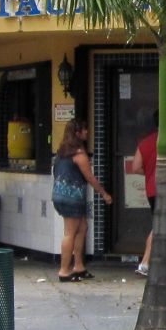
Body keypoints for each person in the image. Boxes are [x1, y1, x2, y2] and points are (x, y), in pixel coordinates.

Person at [52, 119, 111, 282]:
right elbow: (90, 177)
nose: (87, 132)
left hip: (60, 194)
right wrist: (104, 193)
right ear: (77, 133)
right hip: (72, 196)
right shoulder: (79, 154)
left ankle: (79, 266)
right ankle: (64, 270)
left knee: (82, 227)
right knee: (70, 233)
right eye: (84, 130)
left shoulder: (62, 152)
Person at [128, 125, 166, 276]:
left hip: (151, 188)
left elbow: (135, 167)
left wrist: (150, 172)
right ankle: (145, 263)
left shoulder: (145, 142)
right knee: (160, 225)